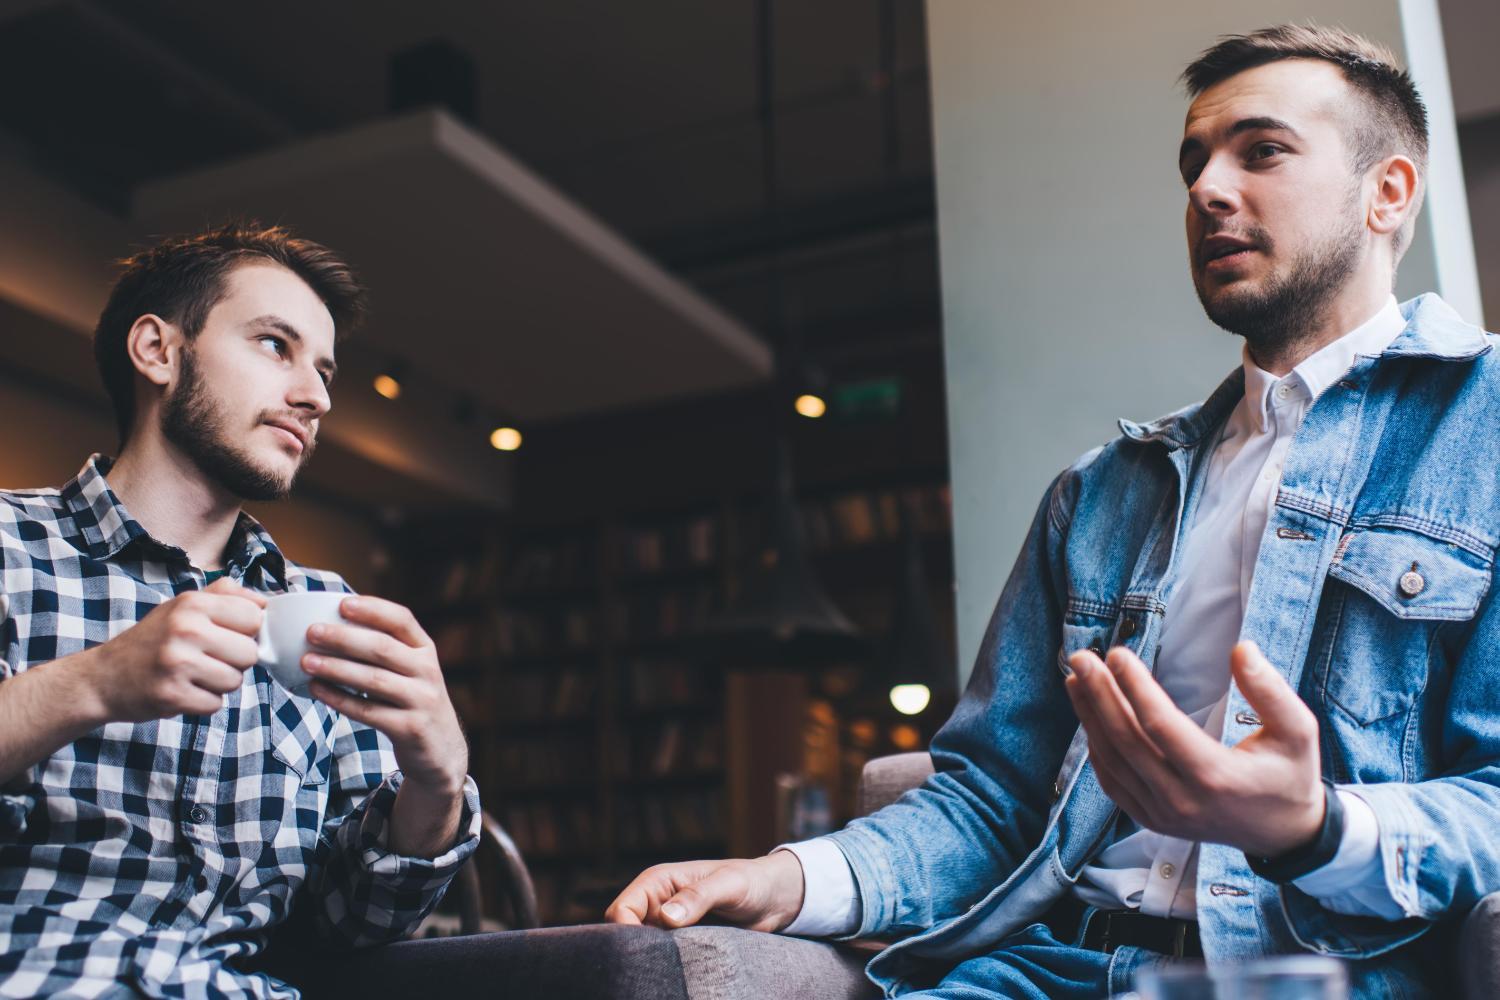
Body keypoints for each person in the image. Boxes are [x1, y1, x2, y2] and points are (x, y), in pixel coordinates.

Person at [607, 24, 1500, 998]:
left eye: (1262, 151)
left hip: (1309, 974)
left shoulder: (1484, 427)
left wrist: (1313, 825)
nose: (1206, 188)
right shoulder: (1103, 490)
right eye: (1193, 161)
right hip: (1047, 970)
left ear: (1390, 192)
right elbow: (992, 797)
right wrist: (786, 875)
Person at [0, 223, 479, 999]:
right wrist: (93, 683)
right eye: (274, 346)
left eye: (324, 371)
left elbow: (349, 922)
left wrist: (437, 781)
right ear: (157, 350)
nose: (316, 396)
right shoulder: (9, 549)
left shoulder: (329, 614)